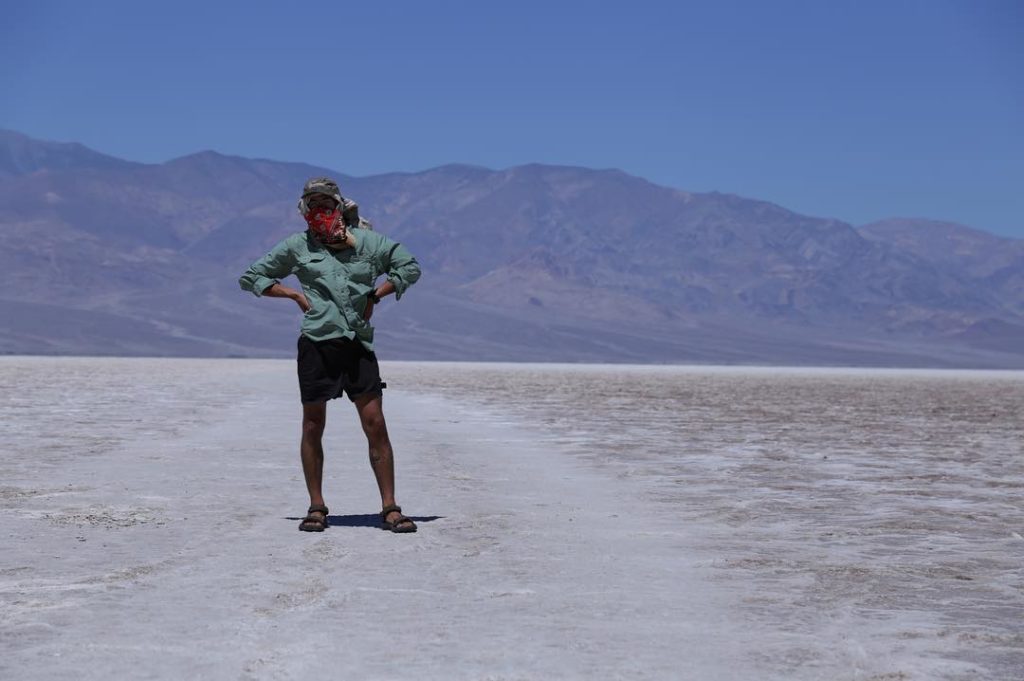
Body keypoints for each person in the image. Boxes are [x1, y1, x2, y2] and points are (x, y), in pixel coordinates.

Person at [239, 177, 421, 533]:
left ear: (339, 207)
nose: (321, 212)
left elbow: (409, 266)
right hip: (317, 344)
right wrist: (292, 294)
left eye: (327, 205)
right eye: (313, 206)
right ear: (305, 211)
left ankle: (390, 508)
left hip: (357, 344)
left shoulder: (368, 243)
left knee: (375, 423)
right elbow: (252, 276)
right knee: (312, 424)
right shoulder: (298, 247)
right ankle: (317, 507)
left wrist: (376, 294)